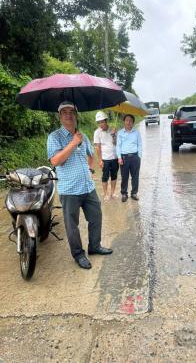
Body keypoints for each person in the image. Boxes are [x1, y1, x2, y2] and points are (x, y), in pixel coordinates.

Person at [47, 101, 113, 270]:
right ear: (60, 116)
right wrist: (73, 143)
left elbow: (91, 154)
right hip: (69, 190)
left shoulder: (81, 135)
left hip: (87, 187)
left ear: (76, 115)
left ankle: (94, 246)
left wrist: (90, 168)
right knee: (72, 225)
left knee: (96, 217)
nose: (68, 114)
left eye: (72, 111)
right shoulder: (54, 137)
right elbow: (55, 161)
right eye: (64, 112)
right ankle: (78, 254)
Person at [93, 111, 119, 201]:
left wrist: (114, 136)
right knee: (105, 177)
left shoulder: (113, 129)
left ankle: (113, 192)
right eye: (99, 122)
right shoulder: (97, 133)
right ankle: (105, 194)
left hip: (115, 157)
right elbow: (97, 147)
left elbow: (116, 143)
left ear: (106, 121)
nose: (101, 124)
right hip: (105, 159)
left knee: (114, 175)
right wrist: (100, 160)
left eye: (102, 122)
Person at [116, 114, 142, 202]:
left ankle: (134, 193)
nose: (128, 122)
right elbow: (118, 146)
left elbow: (140, 145)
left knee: (135, 176)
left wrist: (139, 156)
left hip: (135, 157)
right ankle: (124, 194)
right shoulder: (120, 133)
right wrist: (119, 158)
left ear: (133, 123)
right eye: (127, 120)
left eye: (130, 120)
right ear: (124, 122)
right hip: (124, 158)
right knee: (124, 177)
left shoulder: (137, 132)